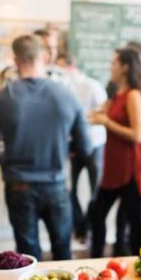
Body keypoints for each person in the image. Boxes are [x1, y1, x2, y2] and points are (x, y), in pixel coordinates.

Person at [0, 35, 91, 261]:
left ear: (16, 61)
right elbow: (85, 147)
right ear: (45, 57)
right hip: (56, 184)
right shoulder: (67, 96)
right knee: (63, 251)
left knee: (28, 255)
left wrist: (5, 134)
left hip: (20, 187)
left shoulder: (1, 98)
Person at [89, 47, 141, 257]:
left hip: (130, 169)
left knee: (136, 225)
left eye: (114, 63)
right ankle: (96, 262)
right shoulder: (117, 95)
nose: (111, 67)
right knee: (98, 215)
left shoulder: (133, 96)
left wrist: (106, 122)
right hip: (114, 168)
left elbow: (138, 135)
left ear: (125, 67)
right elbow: (98, 114)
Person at [55, 53, 108, 241]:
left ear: (70, 66)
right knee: (71, 189)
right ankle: (80, 225)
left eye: (60, 68)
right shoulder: (62, 87)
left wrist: (82, 117)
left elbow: (104, 111)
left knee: (96, 189)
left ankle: (90, 226)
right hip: (74, 145)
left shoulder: (92, 85)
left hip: (95, 142)